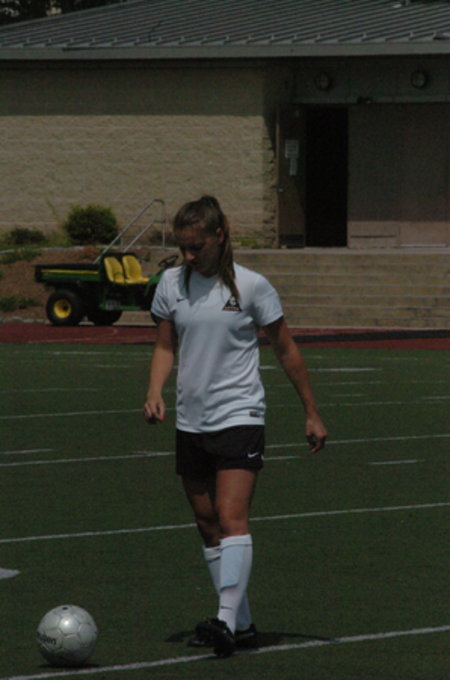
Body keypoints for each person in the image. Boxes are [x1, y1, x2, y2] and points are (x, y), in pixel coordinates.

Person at [143, 195, 327, 658]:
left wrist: (311, 411)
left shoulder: (252, 286)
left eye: (196, 246)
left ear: (219, 236)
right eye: (183, 247)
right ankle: (241, 626)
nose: (188, 255)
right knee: (207, 524)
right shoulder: (170, 284)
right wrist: (155, 391)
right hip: (191, 420)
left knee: (231, 518)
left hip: (239, 415)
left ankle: (223, 621)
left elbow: (286, 349)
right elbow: (165, 346)